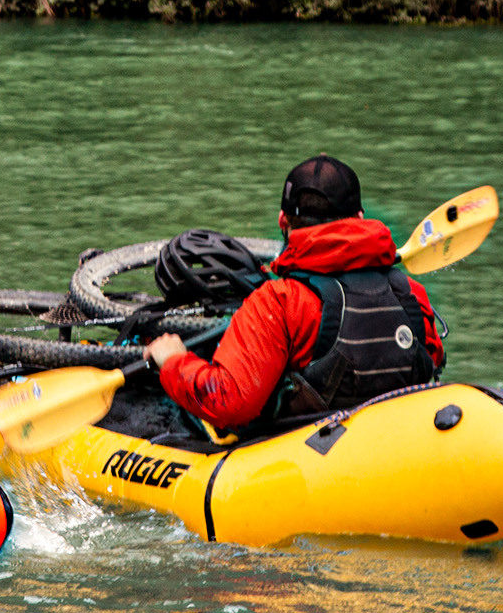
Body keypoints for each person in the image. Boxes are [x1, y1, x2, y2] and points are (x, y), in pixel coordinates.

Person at [142, 154, 445, 433]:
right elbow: (433, 361)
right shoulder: (410, 293)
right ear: (361, 217)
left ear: (283, 222)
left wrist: (174, 362)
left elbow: (230, 403)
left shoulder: (280, 301)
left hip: (317, 466)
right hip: (404, 447)